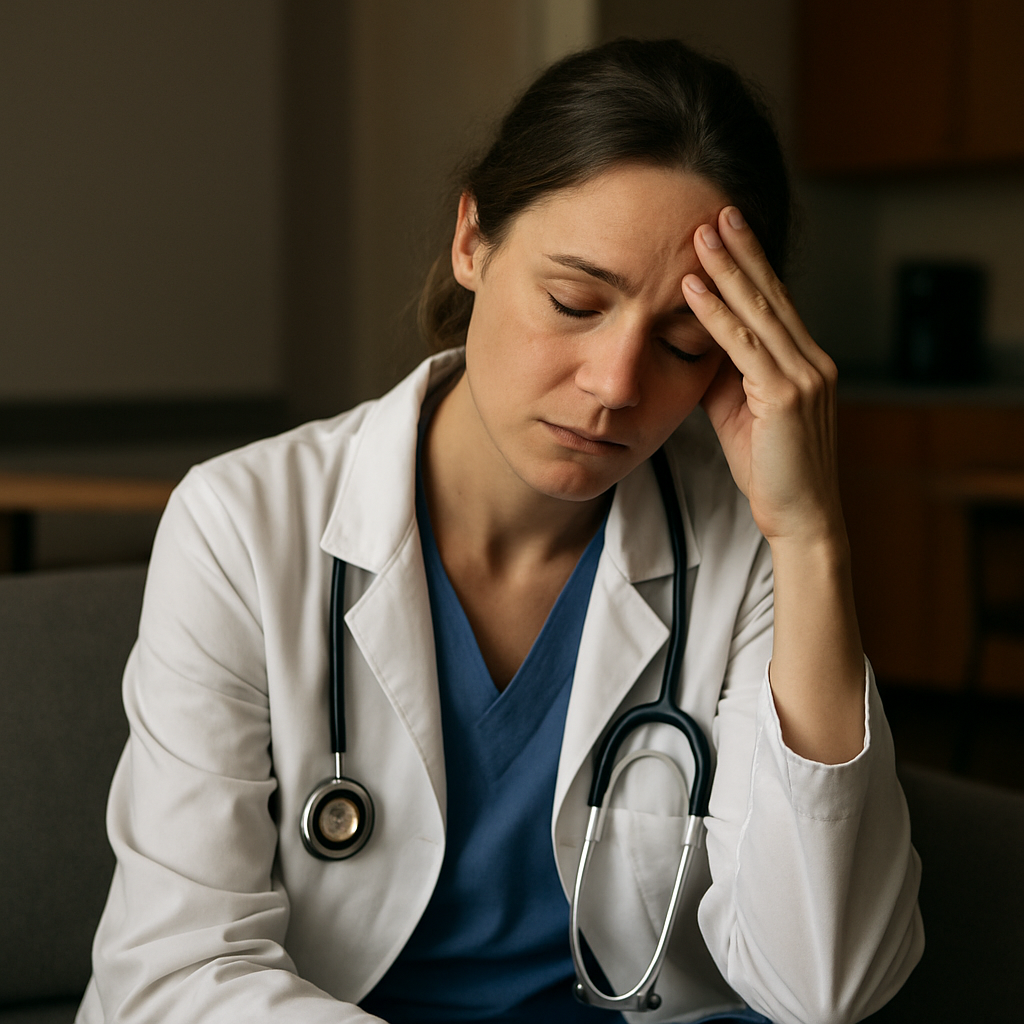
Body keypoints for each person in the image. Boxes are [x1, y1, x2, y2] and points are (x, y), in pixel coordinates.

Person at [77, 38, 923, 1024]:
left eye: (681, 344)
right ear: (472, 238)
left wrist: (811, 536)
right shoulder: (241, 525)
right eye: (573, 302)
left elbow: (826, 986)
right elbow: (175, 974)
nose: (614, 385)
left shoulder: (749, 543)